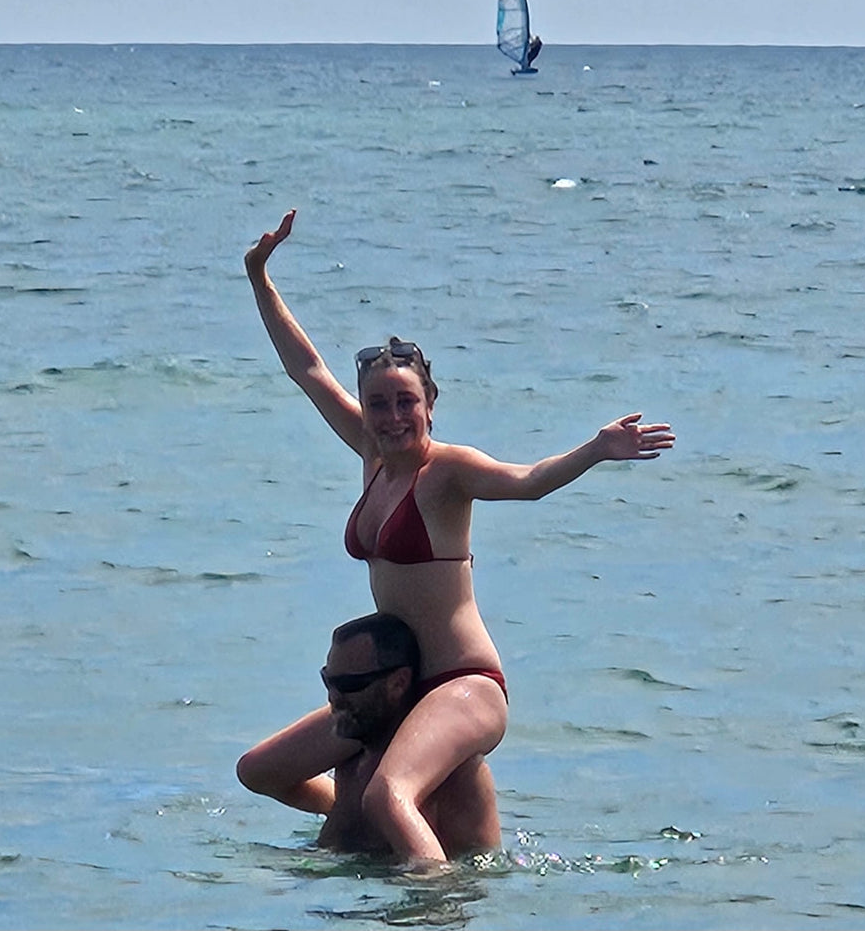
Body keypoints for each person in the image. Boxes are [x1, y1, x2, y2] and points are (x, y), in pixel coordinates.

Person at [237, 208, 675, 864]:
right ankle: (350, 816)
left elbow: (528, 481)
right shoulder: (371, 453)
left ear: (430, 404)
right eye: (378, 403)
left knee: (390, 796)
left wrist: (596, 448)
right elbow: (308, 370)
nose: (391, 416)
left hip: (464, 683)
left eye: (405, 402)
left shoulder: (449, 472)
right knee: (260, 769)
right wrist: (259, 277)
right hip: (396, 686)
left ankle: (435, 893)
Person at [314, 612, 500, 858]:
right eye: (329, 681)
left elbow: (469, 872)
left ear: (398, 683)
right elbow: (268, 774)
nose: (334, 697)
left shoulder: (457, 777)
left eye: (350, 685)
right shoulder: (352, 762)